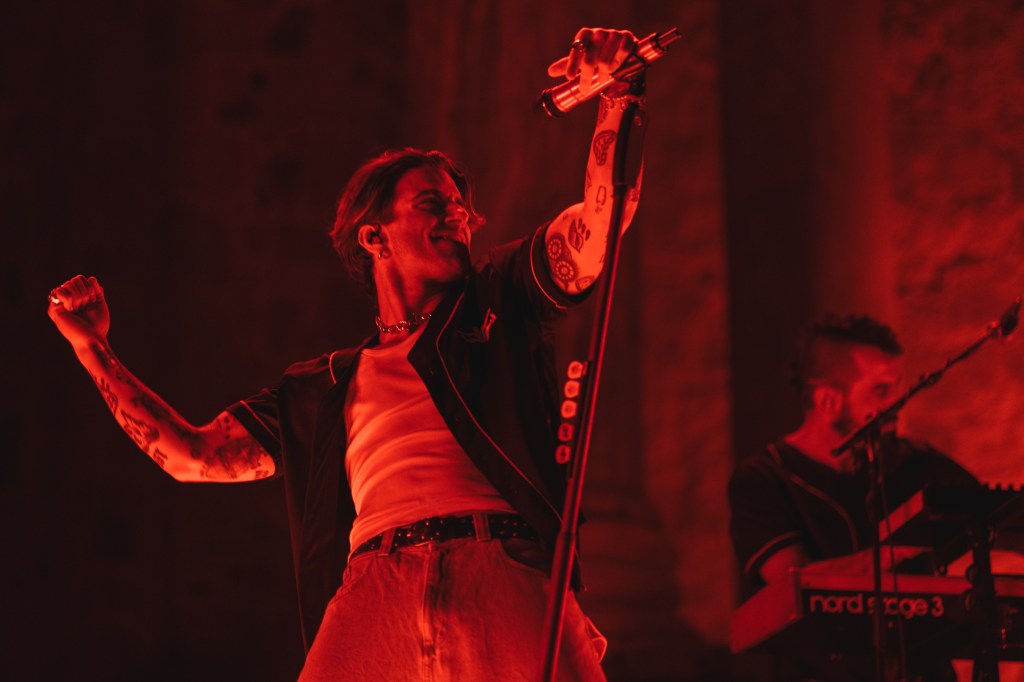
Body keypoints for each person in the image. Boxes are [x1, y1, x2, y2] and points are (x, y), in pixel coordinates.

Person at [48, 28, 644, 680]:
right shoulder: (321, 388)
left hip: (500, 569)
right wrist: (91, 348)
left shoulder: (500, 300)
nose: (458, 217)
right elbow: (192, 456)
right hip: (374, 588)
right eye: (432, 204)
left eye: (461, 208)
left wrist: (618, 94)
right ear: (373, 237)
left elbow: (597, 228)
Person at [728, 315, 978, 681]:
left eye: (897, 389)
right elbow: (791, 583)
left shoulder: (915, 460)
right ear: (828, 400)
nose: (897, 403)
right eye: (880, 392)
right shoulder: (765, 478)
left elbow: (996, 513)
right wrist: (890, 555)